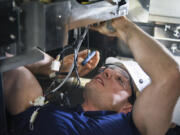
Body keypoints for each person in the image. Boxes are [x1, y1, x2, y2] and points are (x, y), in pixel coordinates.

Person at [3, 16, 180, 135]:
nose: (107, 71)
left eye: (120, 80)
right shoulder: (48, 110)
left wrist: (120, 24)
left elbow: (170, 76)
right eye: (106, 70)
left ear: (129, 106)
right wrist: (55, 66)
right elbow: (11, 65)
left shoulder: (129, 125)